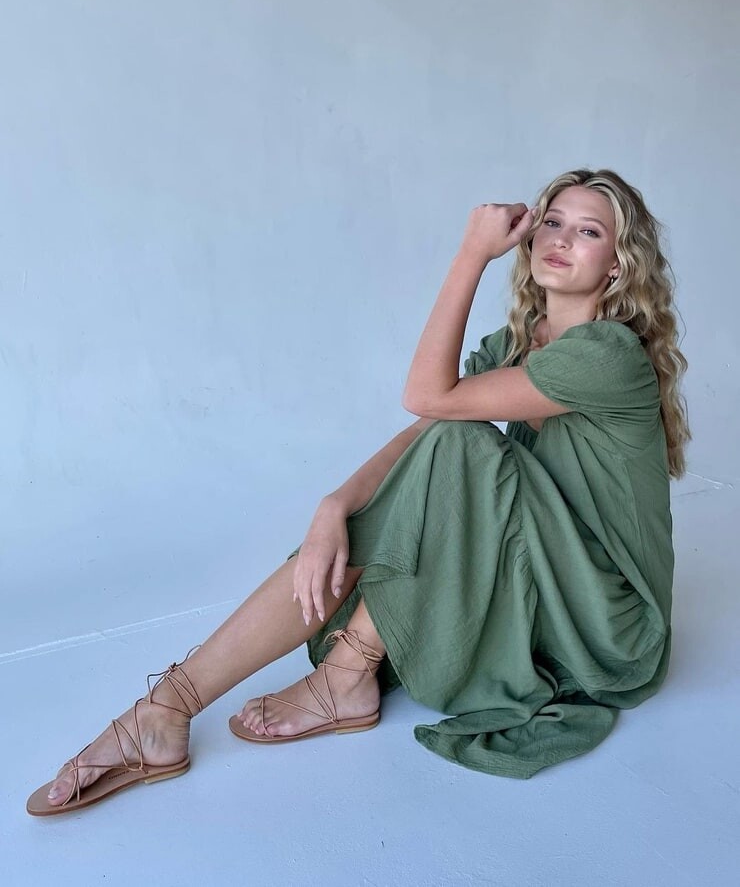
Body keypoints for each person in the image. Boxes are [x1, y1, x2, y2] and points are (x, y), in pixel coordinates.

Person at [27, 168, 690, 816]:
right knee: (426, 469)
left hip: (606, 625)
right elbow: (426, 429)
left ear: (617, 265)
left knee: (462, 448)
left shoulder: (608, 354)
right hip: (541, 583)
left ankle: (344, 675)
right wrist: (335, 507)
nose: (561, 238)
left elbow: (426, 398)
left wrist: (470, 254)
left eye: (588, 231)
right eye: (553, 221)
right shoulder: (520, 342)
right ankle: (165, 708)